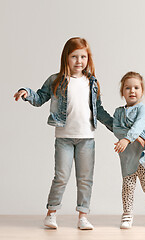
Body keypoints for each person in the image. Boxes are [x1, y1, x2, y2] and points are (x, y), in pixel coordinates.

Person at [13, 37, 113, 230]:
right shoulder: (56, 80)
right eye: (74, 56)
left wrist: (115, 127)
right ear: (66, 58)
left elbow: (98, 110)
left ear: (88, 59)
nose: (79, 61)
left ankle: (83, 216)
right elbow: (40, 97)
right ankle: (51, 213)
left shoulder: (92, 82)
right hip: (64, 138)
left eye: (83, 56)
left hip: (87, 139)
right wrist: (25, 91)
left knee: (85, 178)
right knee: (61, 176)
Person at [113, 71, 145, 229]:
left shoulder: (143, 109)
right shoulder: (118, 112)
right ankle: (127, 215)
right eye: (127, 88)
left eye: (136, 87)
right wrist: (132, 137)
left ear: (142, 91)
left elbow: (139, 124)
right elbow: (116, 128)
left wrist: (129, 138)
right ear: (122, 92)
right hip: (127, 157)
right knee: (127, 188)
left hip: (143, 156)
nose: (132, 91)